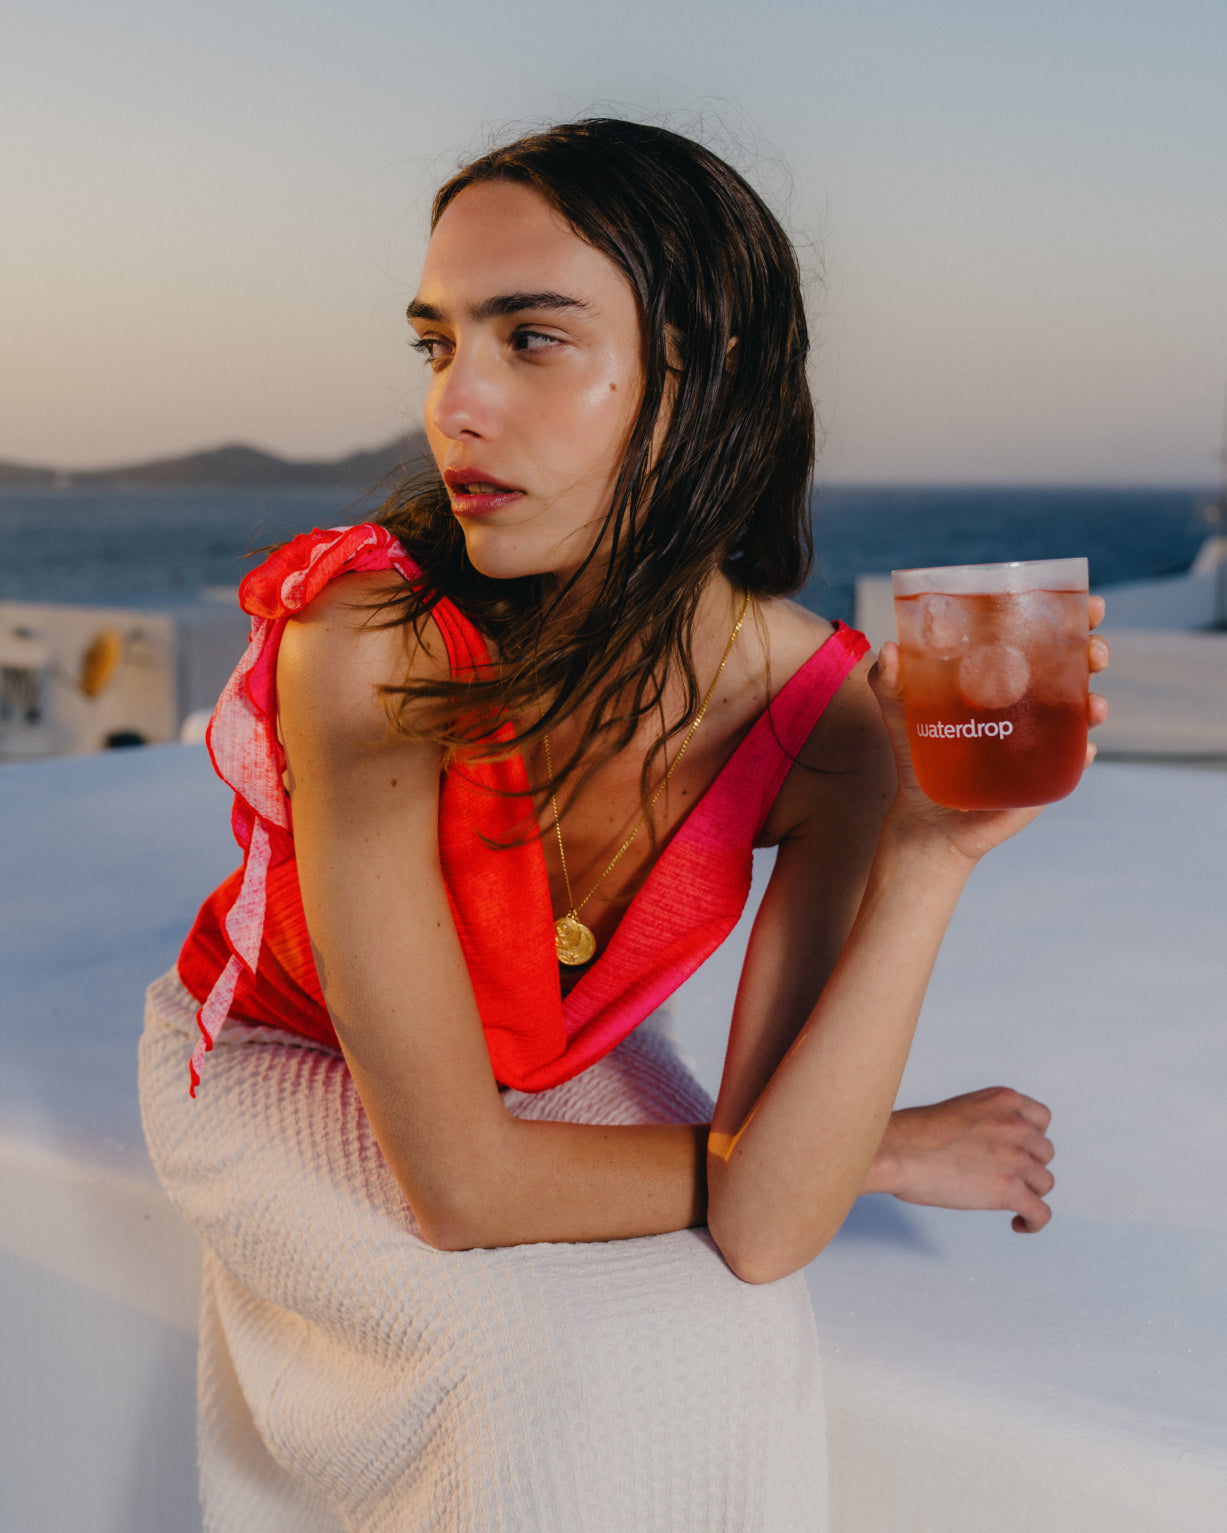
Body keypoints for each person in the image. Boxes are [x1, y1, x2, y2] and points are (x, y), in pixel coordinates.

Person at [140, 118, 1110, 1531]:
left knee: (727, 1333)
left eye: (531, 338)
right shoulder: (370, 636)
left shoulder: (831, 725)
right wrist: (869, 1148)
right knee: (523, 1362)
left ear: (702, 379)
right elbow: (463, 1187)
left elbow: (770, 1231)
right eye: (436, 343)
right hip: (286, 1056)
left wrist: (928, 856)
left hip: (549, 1065)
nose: (454, 404)